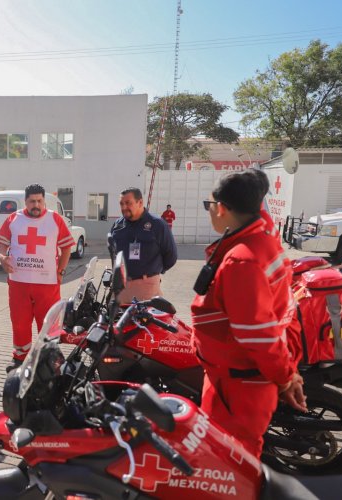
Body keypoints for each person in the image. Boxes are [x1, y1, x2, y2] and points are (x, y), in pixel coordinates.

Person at [190, 169, 306, 457]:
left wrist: (286, 377)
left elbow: (258, 336)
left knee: (231, 461)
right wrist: (287, 374)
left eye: (209, 206)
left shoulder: (243, 261)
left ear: (222, 208)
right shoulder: (264, 234)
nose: (209, 212)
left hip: (237, 384)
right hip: (236, 377)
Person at [0, 184, 74, 373]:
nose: (36, 205)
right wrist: (1, 257)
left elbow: (67, 247)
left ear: (44, 201)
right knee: (20, 322)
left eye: (39, 201)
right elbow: (1, 244)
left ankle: (48, 359)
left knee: (48, 323)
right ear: (25, 202)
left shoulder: (55, 219)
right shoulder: (14, 219)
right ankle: (20, 359)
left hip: (47, 284)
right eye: (32, 201)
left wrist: (61, 271)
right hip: (18, 283)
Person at [108, 188, 177, 304]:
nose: (124, 207)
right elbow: (113, 251)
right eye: (121, 204)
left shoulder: (157, 225)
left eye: (128, 203)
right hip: (121, 287)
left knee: (144, 321)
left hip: (146, 287)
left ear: (140, 203)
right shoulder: (118, 225)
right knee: (116, 320)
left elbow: (171, 256)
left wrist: (153, 273)